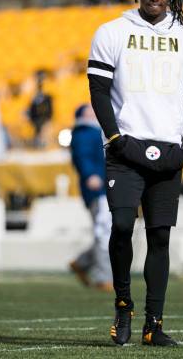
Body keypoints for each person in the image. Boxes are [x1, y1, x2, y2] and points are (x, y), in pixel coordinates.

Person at [87, 0, 183, 346]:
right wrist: (115, 136)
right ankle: (124, 304)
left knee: (159, 238)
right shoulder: (112, 32)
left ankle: (153, 325)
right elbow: (99, 91)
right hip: (125, 149)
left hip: (169, 150)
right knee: (122, 226)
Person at [69, 104, 113, 292]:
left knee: (106, 231)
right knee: (104, 231)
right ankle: (104, 276)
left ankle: (83, 262)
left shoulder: (94, 131)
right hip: (99, 188)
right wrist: (90, 175)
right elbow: (83, 157)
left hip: (106, 186)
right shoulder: (85, 132)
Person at [27, 70, 53, 147]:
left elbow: (49, 106)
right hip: (36, 118)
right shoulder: (33, 92)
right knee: (37, 131)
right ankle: (38, 143)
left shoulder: (48, 93)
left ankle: (44, 143)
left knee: (44, 131)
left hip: (45, 117)